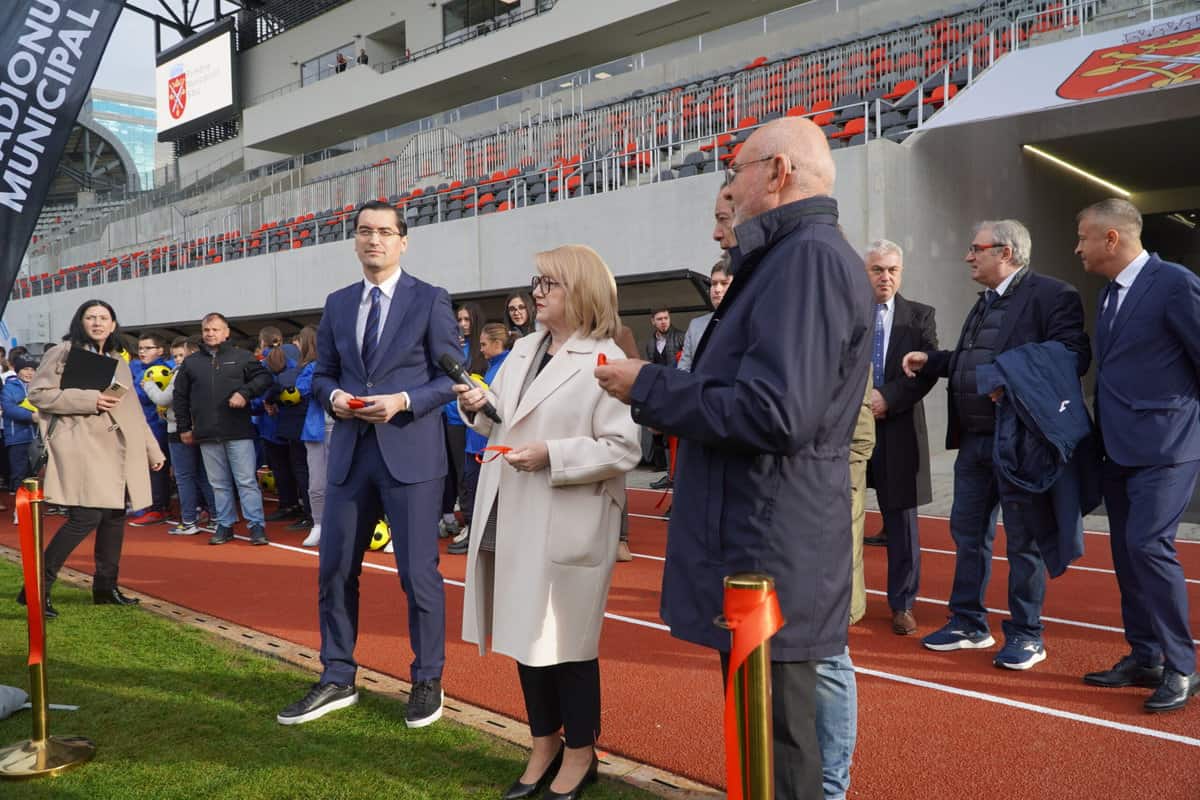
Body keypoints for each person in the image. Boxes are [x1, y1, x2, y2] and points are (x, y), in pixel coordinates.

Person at [596, 116, 873, 800]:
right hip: (763, 535)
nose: (730, 184)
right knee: (761, 745)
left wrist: (651, 385)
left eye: (737, 168)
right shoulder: (790, 257)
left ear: (779, 172)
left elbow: (776, 412)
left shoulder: (804, 259)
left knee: (778, 751)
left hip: (770, 545)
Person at [457, 244, 640, 800]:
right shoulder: (522, 350)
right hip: (511, 509)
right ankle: (544, 742)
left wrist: (552, 456)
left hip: (565, 517)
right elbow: (508, 415)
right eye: (536, 281)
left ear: (580, 291)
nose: (536, 292)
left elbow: (622, 447)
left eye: (549, 284)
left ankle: (580, 752)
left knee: (568, 644)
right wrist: (479, 405)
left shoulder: (605, 359)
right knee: (521, 633)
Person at [276, 200, 459, 728]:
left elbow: (450, 377)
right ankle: (337, 675)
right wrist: (333, 397)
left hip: (411, 454)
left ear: (403, 241)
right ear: (354, 241)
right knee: (334, 569)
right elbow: (324, 373)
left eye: (384, 232)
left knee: (417, 575)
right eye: (364, 232)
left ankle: (427, 679)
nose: (373, 240)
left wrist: (403, 401)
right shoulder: (337, 304)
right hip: (352, 453)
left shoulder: (430, 299)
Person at [902, 219, 1089, 669]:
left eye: (976, 248)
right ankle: (968, 623)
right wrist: (935, 361)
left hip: (1020, 443)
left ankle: (1027, 634)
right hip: (974, 443)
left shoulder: (1052, 295)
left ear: (1004, 252)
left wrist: (1008, 377)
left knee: (1023, 542)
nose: (969, 256)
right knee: (968, 536)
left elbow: (1074, 355)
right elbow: (974, 361)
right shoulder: (986, 302)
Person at [1075, 198, 1200, 712]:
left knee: (1149, 545)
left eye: (1083, 236)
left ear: (1112, 238)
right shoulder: (1108, 295)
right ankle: (1145, 654)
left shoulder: (1174, 283)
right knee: (1127, 553)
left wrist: (1181, 425)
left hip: (1167, 447)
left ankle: (1183, 666)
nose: (1076, 247)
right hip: (1117, 448)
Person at [17, 300, 165, 618]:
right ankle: (35, 589)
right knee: (85, 517)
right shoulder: (64, 352)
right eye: (90, 317)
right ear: (80, 321)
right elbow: (38, 394)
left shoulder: (117, 360)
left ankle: (105, 587)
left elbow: (132, 411)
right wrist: (89, 399)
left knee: (113, 518)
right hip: (80, 446)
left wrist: (153, 450)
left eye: (103, 318)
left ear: (113, 324)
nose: (97, 323)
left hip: (115, 449)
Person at [862, 240, 938, 635]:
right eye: (877, 270)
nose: (885, 277)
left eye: (892, 270)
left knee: (903, 525)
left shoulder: (919, 317)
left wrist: (886, 398)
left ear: (901, 273)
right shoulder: (848, 313)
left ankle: (903, 604)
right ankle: (844, 598)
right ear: (866, 272)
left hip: (898, 428)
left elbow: (925, 373)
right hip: (852, 431)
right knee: (844, 518)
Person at [174, 313, 274, 546]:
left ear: (226, 332)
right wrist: (184, 427)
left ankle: (256, 525)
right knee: (218, 483)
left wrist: (244, 393)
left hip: (238, 430)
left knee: (246, 481)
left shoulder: (242, 357)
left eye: (215, 329)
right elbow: (180, 397)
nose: (210, 333)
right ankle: (225, 524)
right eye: (207, 329)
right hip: (207, 433)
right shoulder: (192, 362)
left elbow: (264, 378)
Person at [142, 337, 217, 536]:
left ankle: (189, 520)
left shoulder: (181, 374)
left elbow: (164, 398)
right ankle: (216, 517)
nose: (177, 360)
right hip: (200, 428)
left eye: (181, 355)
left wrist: (148, 385)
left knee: (185, 477)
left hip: (179, 429)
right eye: (174, 356)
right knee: (203, 475)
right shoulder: (205, 370)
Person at [448, 322, 511, 556]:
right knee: (471, 488)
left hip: (487, 444)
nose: (481, 349)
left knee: (478, 492)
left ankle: (478, 535)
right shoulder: (493, 365)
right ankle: (475, 533)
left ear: (497, 344)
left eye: (484, 344)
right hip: (478, 440)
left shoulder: (506, 367)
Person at [128, 334, 173, 526]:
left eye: (148, 348)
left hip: (158, 427)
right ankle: (151, 505)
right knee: (148, 468)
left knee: (158, 467)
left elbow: (138, 395)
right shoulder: (139, 369)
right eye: (140, 348)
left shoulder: (164, 369)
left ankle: (158, 508)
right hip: (143, 425)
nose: (142, 352)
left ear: (160, 350)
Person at [294, 325, 332, 549]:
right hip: (316, 430)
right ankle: (318, 524)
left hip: (342, 429)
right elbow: (303, 389)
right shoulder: (310, 368)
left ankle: (339, 526)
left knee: (342, 482)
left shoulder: (344, 365)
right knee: (316, 482)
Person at [677, 256, 732, 373]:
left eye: (724, 283)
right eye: (714, 283)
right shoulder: (695, 325)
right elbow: (683, 368)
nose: (717, 289)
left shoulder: (747, 322)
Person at [2, 355, 39, 502]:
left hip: (38, 437)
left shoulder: (39, 387)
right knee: (19, 473)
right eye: (25, 369)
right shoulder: (9, 387)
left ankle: (32, 506)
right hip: (17, 437)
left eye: (33, 369)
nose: (29, 372)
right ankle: (20, 509)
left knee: (34, 474)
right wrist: (32, 416)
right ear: (17, 371)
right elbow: (9, 408)